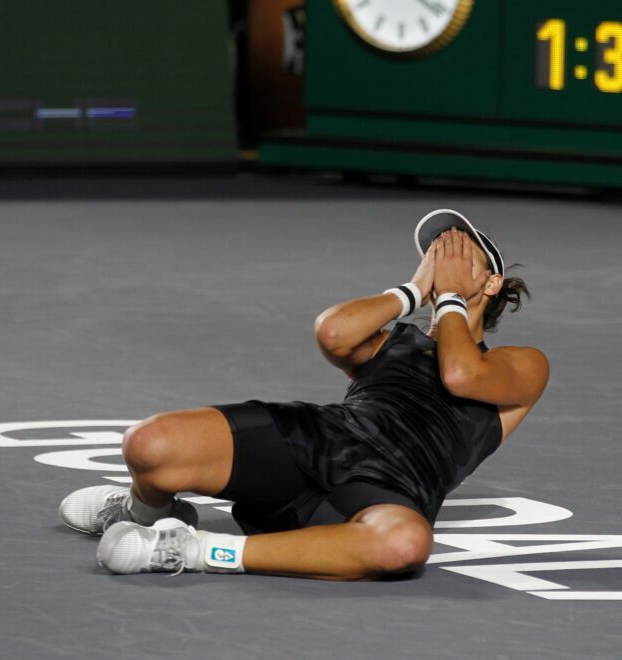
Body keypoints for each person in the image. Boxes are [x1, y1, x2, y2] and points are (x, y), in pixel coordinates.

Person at [59, 209, 549, 580]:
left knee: (403, 545)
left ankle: (188, 549)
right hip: (313, 440)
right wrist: (417, 289)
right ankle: (143, 511)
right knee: (148, 444)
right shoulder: (392, 339)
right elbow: (333, 333)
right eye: (437, 254)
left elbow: (461, 375)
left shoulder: (522, 364)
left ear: (492, 280)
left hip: (390, 490)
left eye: (461, 254)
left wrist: (449, 297)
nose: (445, 260)